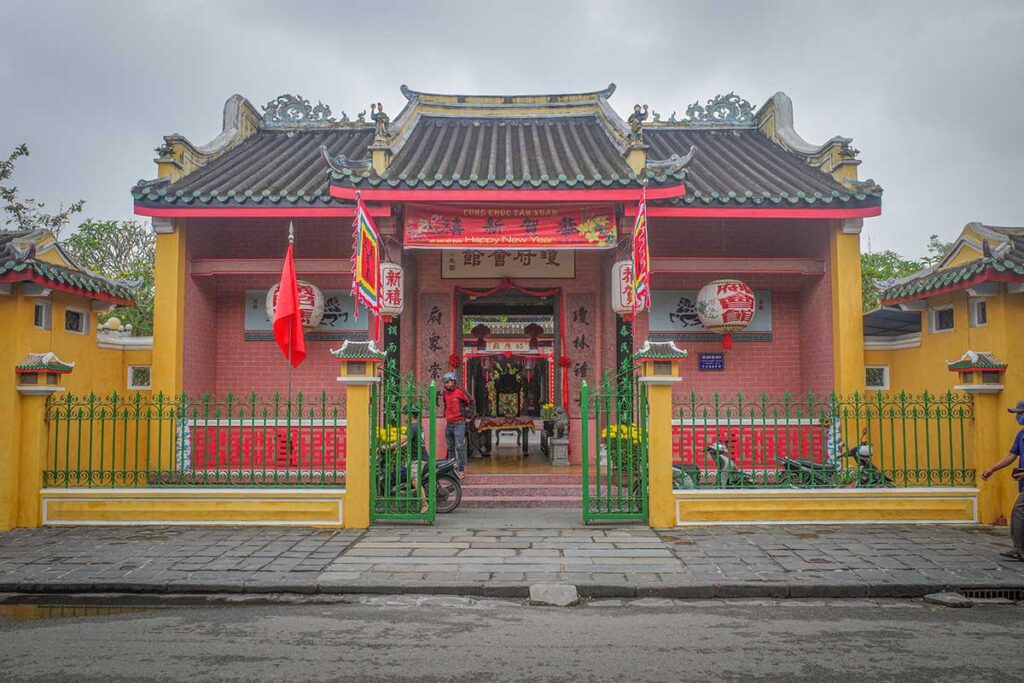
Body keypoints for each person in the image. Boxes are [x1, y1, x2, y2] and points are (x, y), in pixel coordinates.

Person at [980, 399, 1024, 561]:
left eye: (1020, 413)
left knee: (1018, 512)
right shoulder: (1021, 435)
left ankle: (1020, 549)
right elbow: (1011, 455)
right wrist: (992, 469)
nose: (1018, 417)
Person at [441, 371, 471, 480]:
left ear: (453, 381)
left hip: (459, 423)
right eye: (445, 383)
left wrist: (468, 416)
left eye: (448, 382)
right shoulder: (445, 394)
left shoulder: (460, 392)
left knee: (460, 446)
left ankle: (461, 469)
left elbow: (471, 402)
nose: (446, 384)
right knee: (451, 448)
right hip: (449, 423)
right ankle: (451, 468)